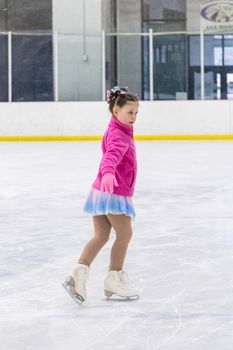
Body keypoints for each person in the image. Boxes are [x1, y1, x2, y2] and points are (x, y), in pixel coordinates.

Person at [62, 86, 139, 303]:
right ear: (116, 111)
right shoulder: (119, 135)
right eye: (129, 112)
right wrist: (107, 173)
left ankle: (76, 275)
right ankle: (113, 278)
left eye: (136, 113)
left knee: (101, 235)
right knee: (124, 234)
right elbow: (111, 156)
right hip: (113, 192)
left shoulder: (116, 130)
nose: (133, 117)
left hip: (101, 192)